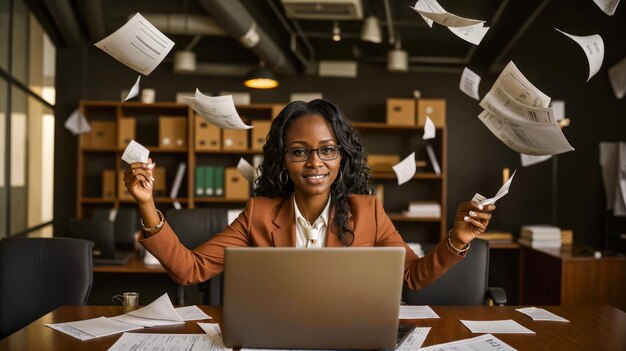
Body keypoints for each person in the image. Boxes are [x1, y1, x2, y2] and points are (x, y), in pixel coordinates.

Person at [125, 99, 495, 290]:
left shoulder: (368, 212)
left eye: (327, 150)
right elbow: (190, 270)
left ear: (341, 157)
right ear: (284, 160)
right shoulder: (258, 214)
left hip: (350, 338)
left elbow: (413, 277)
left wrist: (457, 239)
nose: (314, 162)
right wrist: (147, 204)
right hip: (276, 338)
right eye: (299, 151)